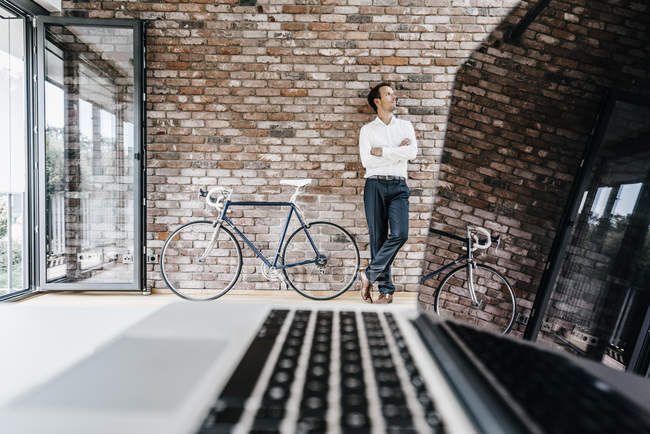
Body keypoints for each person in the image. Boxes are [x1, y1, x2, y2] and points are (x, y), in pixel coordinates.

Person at [358, 82, 418, 304]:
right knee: (378, 239)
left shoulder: (405, 126)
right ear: (377, 101)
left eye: (393, 93)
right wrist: (397, 152)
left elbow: (412, 153)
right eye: (389, 94)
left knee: (400, 234)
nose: (394, 97)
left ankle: (369, 275)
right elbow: (367, 161)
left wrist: (383, 151)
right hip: (374, 185)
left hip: (399, 186)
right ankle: (386, 291)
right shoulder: (367, 130)